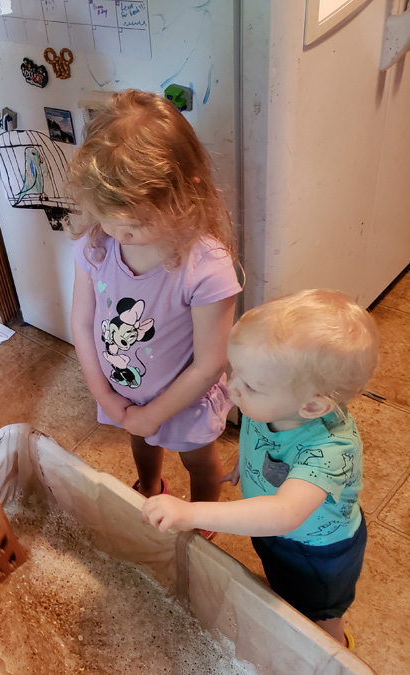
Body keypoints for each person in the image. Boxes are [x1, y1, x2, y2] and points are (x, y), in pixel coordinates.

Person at [142, 289, 378, 648]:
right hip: (277, 536)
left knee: (319, 616)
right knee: (284, 589)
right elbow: (265, 442)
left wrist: (190, 512)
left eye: (250, 384)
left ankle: (334, 654)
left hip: (316, 554)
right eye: (235, 371)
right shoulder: (272, 406)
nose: (232, 387)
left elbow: (284, 513)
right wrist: (247, 462)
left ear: (313, 407)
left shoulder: (330, 449)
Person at [67, 89, 240, 523]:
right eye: (108, 218)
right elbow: (83, 320)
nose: (119, 234)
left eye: (137, 223)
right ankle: (148, 487)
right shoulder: (97, 245)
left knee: (199, 462)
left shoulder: (206, 267)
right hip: (123, 391)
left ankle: (200, 517)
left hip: (184, 401)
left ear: (185, 195)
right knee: (140, 442)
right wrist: (103, 392)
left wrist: (155, 414)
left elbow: (210, 363)